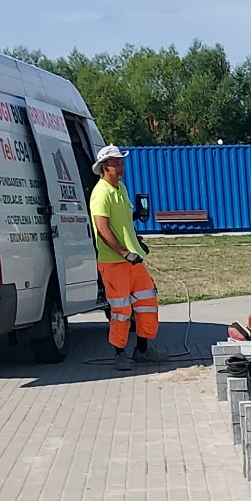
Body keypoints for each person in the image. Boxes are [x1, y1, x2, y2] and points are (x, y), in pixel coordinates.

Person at [88, 144, 159, 358]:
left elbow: (123, 224)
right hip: (114, 262)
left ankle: (143, 350)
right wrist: (124, 252)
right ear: (105, 167)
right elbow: (102, 229)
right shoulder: (101, 193)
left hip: (133, 260)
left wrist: (135, 245)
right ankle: (120, 353)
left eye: (121, 162)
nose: (121, 167)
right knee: (121, 310)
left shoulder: (122, 189)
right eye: (116, 163)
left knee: (147, 302)